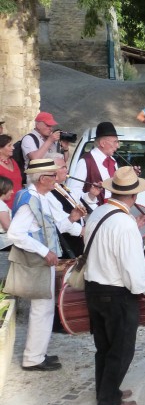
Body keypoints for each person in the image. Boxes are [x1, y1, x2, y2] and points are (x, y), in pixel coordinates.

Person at [84, 166, 145, 405]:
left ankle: (106, 389)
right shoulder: (125, 224)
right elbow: (132, 268)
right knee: (121, 348)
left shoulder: (99, 212)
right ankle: (108, 400)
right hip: (116, 293)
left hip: (93, 287)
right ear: (134, 197)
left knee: (104, 346)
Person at [7, 159, 85, 371]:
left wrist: (72, 218)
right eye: (53, 175)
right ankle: (33, 358)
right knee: (42, 308)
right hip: (38, 260)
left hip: (44, 259)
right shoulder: (30, 199)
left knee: (44, 308)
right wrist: (44, 251)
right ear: (42, 178)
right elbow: (15, 233)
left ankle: (36, 354)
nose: (57, 178)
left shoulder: (39, 197)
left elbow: (53, 226)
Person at [51, 156, 100, 258]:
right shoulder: (49, 193)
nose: (66, 170)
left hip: (77, 240)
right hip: (67, 242)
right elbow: (59, 220)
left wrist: (92, 194)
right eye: (63, 167)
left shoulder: (61, 187)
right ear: (53, 172)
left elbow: (77, 201)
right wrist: (82, 231)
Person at [66, 122, 121, 206]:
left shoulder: (113, 161)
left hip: (112, 209)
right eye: (115, 142)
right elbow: (74, 191)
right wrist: (90, 196)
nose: (118, 146)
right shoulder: (86, 161)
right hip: (94, 213)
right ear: (102, 143)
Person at [0, 134, 23, 204]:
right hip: (4, 205)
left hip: (19, 202)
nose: (13, 148)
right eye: (9, 145)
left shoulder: (13, 162)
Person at [0, 176, 13, 250]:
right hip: (5, 244)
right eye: (10, 189)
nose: (12, 192)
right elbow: (7, 226)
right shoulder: (1, 205)